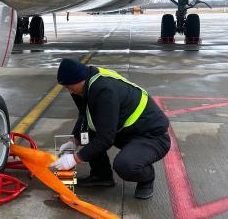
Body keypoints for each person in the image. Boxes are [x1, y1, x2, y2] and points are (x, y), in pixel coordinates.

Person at [50, 58, 171, 199]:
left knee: (125, 165)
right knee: (86, 134)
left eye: (69, 86)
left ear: (79, 79)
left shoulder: (104, 91)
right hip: (127, 131)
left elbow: (105, 139)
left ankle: (147, 178)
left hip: (151, 135)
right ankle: (101, 176)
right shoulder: (83, 85)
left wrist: (75, 158)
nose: (68, 90)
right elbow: (85, 116)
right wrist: (74, 140)